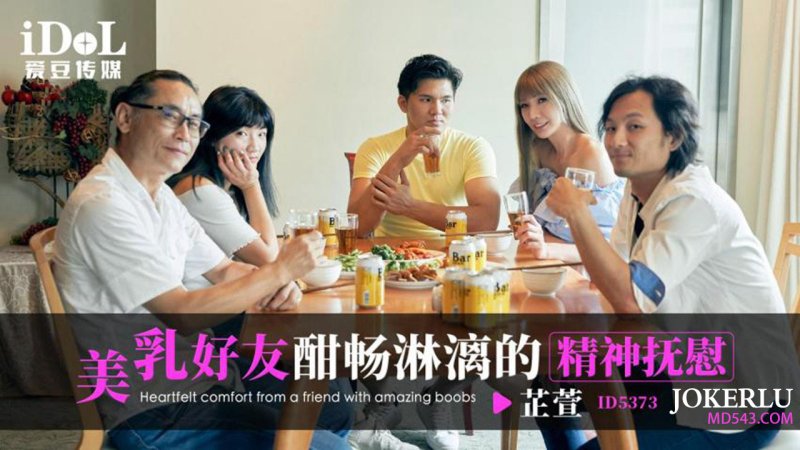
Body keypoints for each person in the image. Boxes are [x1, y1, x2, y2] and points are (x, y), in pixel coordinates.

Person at [52, 70, 350, 449]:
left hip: (198, 381)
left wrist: (277, 284)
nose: (185, 134)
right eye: (170, 115)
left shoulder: (160, 197)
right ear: (125, 117)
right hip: (152, 410)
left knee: (329, 406)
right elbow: (181, 313)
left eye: (194, 123)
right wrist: (278, 271)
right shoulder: (104, 203)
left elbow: (224, 269)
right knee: (330, 442)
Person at [543, 76, 785, 449]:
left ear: (674, 137)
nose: (616, 140)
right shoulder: (637, 189)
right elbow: (614, 283)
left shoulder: (694, 201)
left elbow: (628, 299)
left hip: (739, 400)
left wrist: (577, 213)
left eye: (634, 127)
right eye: (611, 127)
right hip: (676, 365)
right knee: (548, 381)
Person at [348, 54, 501, 238]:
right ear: (403, 104)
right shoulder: (375, 147)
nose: (437, 110)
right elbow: (358, 228)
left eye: (445, 100)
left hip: (453, 252)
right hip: (394, 253)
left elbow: (487, 221)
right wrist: (398, 159)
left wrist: (410, 206)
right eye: (426, 100)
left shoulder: (473, 147)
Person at [168, 86, 281, 292]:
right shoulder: (201, 192)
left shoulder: (226, 189)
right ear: (213, 137)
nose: (255, 146)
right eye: (242, 133)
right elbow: (268, 258)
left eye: (261, 134)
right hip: (198, 304)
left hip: (224, 298)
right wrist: (251, 185)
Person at [510, 61, 623, 259]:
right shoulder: (539, 150)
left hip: (586, 271)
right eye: (524, 105)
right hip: (549, 264)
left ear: (564, 97)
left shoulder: (590, 154)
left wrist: (547, 247)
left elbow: (610, 249)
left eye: (542, 100)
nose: (533, 115)